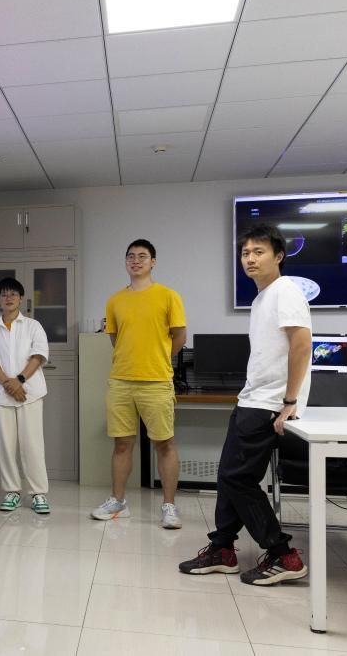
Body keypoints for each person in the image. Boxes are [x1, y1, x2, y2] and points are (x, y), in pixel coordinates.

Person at [178, 224, 311, 586]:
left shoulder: (285, 290)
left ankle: (283, 555)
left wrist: (289, 401)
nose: (250, 258)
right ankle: (222, 549)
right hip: (253, 398)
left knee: (238, 478)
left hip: (269, 402)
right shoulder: (262, 297)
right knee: (229, 476)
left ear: (279, 256)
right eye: (245, 253)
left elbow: (301, 345)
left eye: (259, 252)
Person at [91, 239, 187, 529]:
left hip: (156, 381)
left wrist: (158, 358)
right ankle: (118, 502)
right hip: (121, 381)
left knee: (164, 444)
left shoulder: (168, 296)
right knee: (122, 444)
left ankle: (169, 506)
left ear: (153, 262)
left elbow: (180, 336)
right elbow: (115, 339)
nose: (136, 260)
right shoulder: (115, 300)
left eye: (142, 256)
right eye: (130, 256)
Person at [0, 277, 51, 514]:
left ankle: (38, 494)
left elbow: (38, 356)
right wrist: (9, 385)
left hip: (30, 393)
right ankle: (12, 491)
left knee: (33, 444)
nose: (8, 298)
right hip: (0, 395)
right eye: (3, 294)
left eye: (13, 294)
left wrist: (19, 381)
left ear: (21, 298)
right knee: (5, 444)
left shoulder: (33, 326)